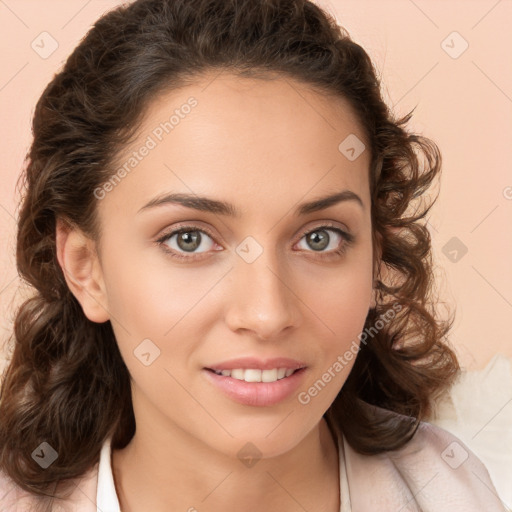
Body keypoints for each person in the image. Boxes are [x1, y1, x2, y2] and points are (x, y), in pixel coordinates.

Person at [0, 0, 506, 510]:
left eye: (319, 238)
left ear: (374, 257)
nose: (267, 314)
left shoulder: (455, 490)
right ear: (87, 269)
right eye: (189, 239)